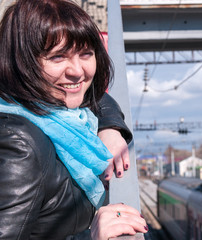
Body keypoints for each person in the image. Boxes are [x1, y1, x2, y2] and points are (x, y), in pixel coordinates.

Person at [0, 0, 147, 239]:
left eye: (86, 54)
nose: (78, 71)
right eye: (58, 57)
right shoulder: (18, 145)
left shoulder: (61, 114)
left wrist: (110, 127)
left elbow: (93, 96)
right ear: (22, 62)